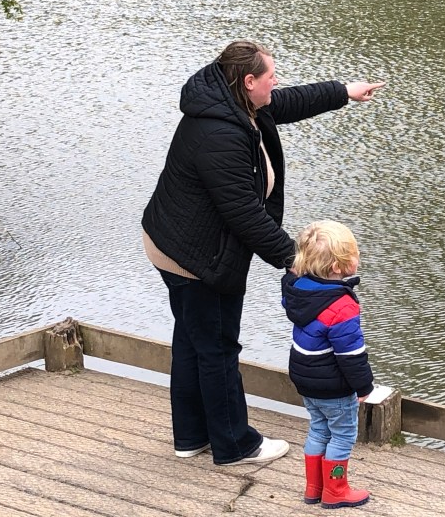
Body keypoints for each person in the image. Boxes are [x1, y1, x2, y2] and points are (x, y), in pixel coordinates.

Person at [141, 39, 383, 466]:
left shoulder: (233, 100)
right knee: (216, 348)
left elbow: (287, 102)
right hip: (197, 257)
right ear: (248, 81)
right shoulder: (220, 133)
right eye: (270, 76)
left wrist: (344, 91)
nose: (277, 83)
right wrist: (297, 261)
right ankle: (236, 445)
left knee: (194, 342)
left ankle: (191, 437)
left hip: (176, 241)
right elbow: (244, 214)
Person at [282, 220, 373, 508]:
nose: (358, 258)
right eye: (354, 253)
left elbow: (289, 279)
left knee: (319, 429)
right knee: (343, 435)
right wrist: (363, 386)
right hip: (332, 384)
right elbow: (351, 354)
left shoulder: (298, 290)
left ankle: (314, 487)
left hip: (305, 378)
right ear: (338, 267)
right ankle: (335, 490)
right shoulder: (342, 305)